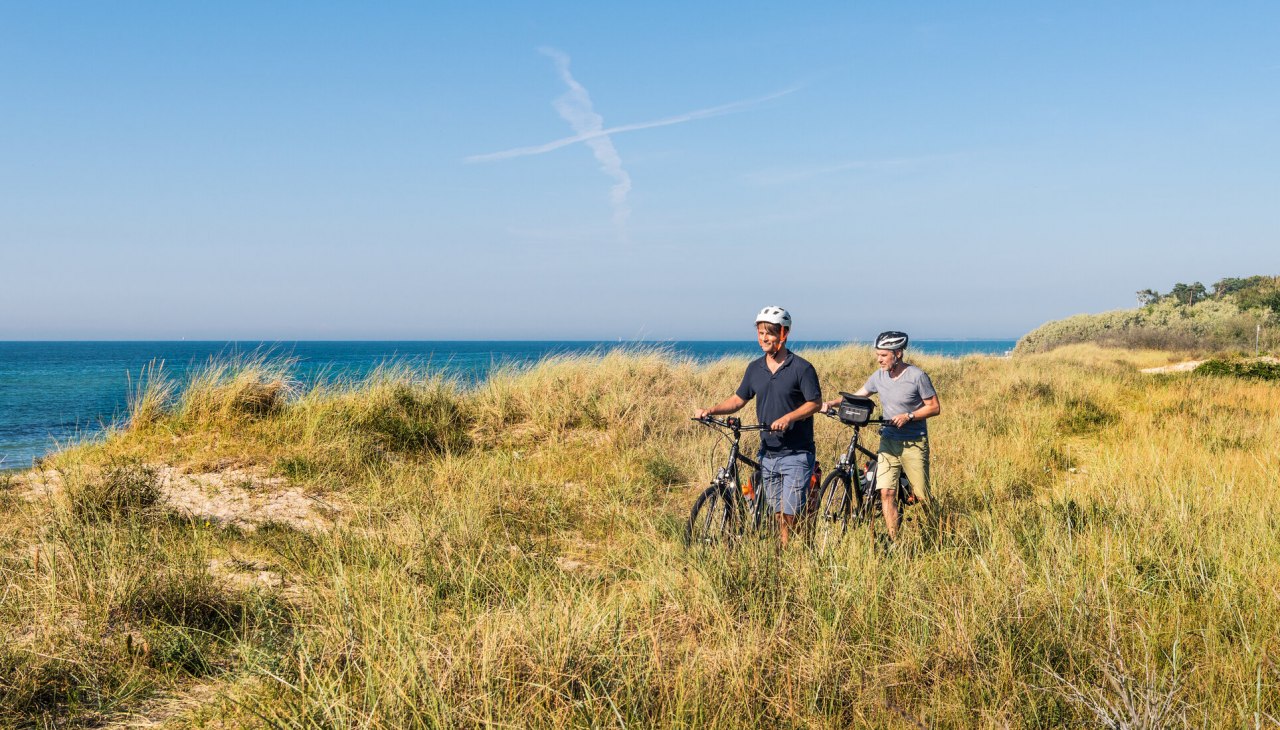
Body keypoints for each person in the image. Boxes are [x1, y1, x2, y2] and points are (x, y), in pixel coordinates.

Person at [695, 306, 823, 547]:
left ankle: (789, 557)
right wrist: (710, 410)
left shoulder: (801, 368)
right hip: (768, 452)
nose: (764, 338)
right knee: (777, 514)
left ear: (783, 334)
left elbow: (815, 403)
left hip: (796, 452)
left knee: (789, 515)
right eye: (760, 333)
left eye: (770, 333)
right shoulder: (755, 368)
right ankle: (784, 554)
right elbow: (738, 400)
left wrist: (790, 417)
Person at [824, 331, 940, 541]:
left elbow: (934, 407)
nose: (879, 359)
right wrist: (831, 403)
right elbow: (858, 395)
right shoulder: (878, 376)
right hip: (888, 440)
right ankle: (894, 540)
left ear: (898, 354)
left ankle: (935, 535)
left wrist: (909, 416)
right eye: (878, 355)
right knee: (886, 493)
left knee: (922, 497)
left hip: (914, 443)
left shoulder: (917, 376)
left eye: (884, 355)